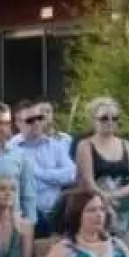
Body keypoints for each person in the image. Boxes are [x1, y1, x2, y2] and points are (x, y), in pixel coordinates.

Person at [9, 100, 77, 234]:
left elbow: (72, 174)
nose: (36, 123)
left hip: (56, 214)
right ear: (18, 123)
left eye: (39, 118)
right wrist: (55, 177)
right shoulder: (11, 149)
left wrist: (39, 173)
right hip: (25, 217)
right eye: (30, 120)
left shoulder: (54, 145)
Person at [75, 96, 129, 234]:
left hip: (124, 205)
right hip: (96, 205)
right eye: (104, 118)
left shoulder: (126, 145)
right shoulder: (85, 145)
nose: (110, 122)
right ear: (93, 120)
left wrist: (113, 196)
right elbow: (89, 182)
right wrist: (105, 198)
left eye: (114, 118)